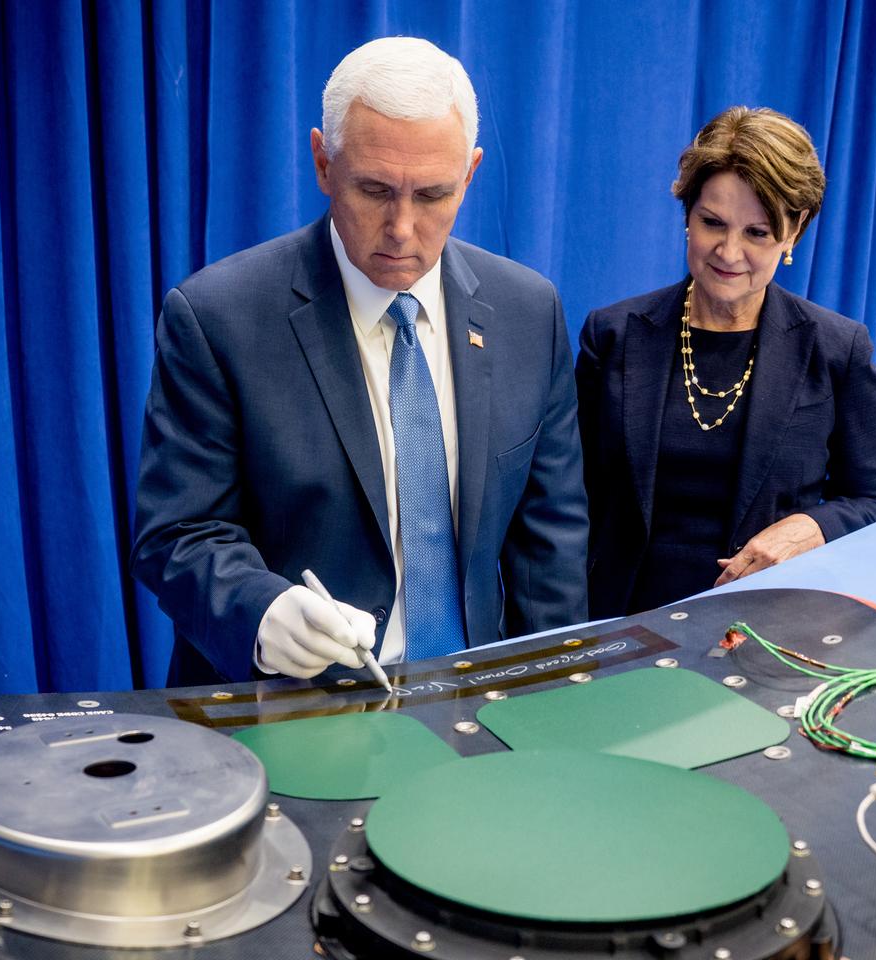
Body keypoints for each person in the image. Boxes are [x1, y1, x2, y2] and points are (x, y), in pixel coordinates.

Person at [132, 38, 588, 684]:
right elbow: (177, 534)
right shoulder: (217, 319)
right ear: (323, 162)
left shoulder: (527, 313)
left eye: (433, 196)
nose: (402, 228)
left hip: (474, 714)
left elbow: (552, 554)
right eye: (374, 190)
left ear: (471, 175)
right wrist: (263, 614)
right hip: (290, 712)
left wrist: (553, 711)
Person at [575, 106, 876, 618]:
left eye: (757, 233)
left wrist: (810, 529)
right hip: (619, 624)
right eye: (712, 223)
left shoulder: (837, 349)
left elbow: (872, 501)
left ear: (794, 233)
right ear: (687, 216)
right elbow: (569, 499)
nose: (728, 250)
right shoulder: (613, 335)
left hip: (763, 630)